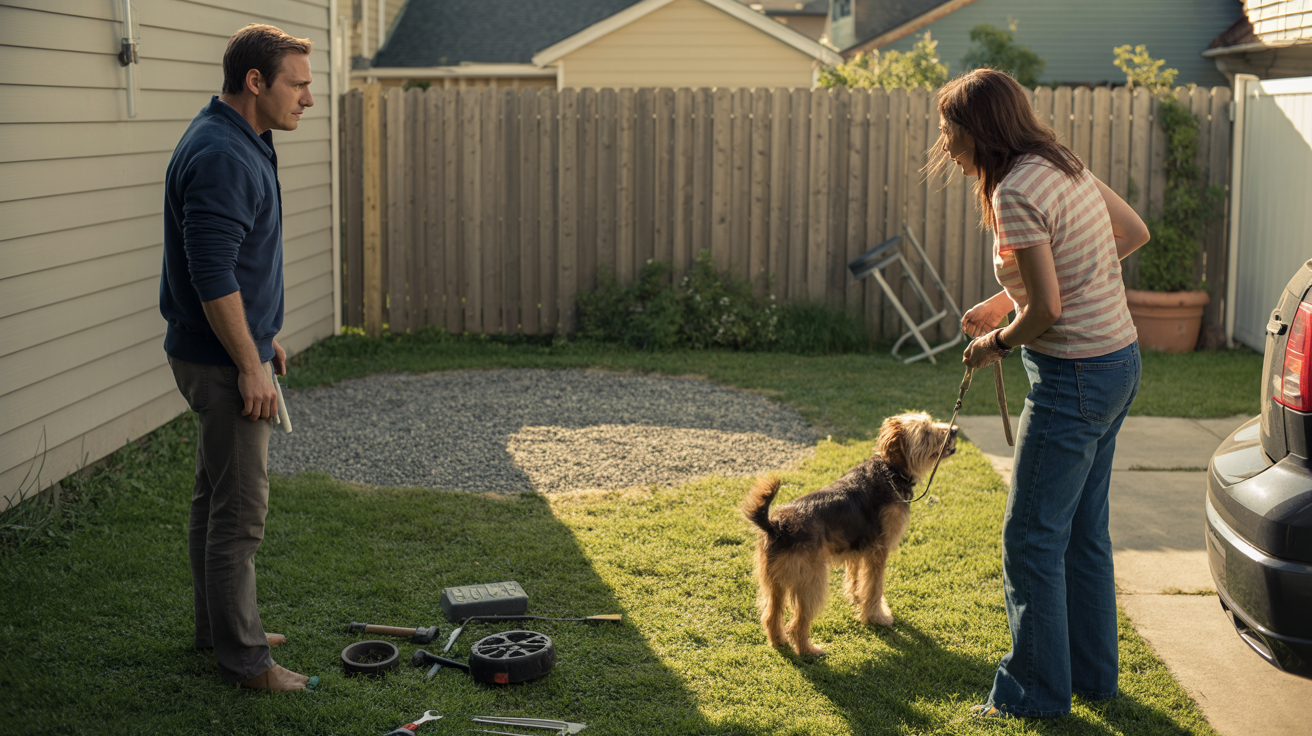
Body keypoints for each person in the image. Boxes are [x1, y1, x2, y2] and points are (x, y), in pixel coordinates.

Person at [930, 69, 1151, 718]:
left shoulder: (1016, 191)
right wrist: (1009, 299)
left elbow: (1050, 307)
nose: (943, 141)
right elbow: (1127, 234)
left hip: (1074, 378)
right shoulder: (1060, 165)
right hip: (1117, 362)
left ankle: (1033, 696)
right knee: (1082, 532)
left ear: (980, 129)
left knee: (1029, 539)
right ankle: (1090, 678)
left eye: (949, 127)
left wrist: (996, 341)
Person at [159, 24, 315, 691]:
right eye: (298, 84)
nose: (308, 98)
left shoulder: (241, 138)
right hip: (223, 362)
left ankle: (218, 627)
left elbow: (236, 262)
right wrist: (249, 363)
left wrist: (264, 332)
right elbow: (211, 271)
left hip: (227, 347)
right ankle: (246, 662)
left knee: (212, 497)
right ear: (256, 82)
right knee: (239, 513)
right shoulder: (223, 153)